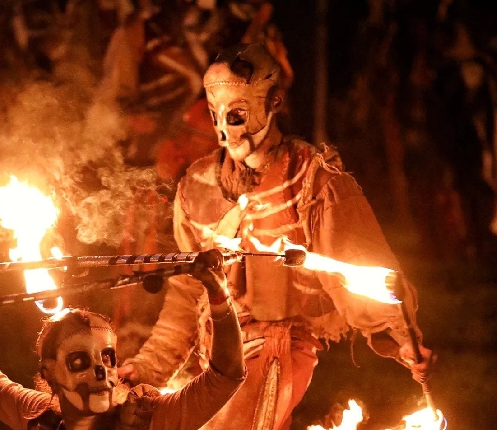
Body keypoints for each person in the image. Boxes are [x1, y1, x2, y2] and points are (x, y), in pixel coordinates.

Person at [118, 43, 435, 430]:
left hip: (280, 348)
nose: (224, 131)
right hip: (217, 358)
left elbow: (358, 267)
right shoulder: (196, 188)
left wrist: (401, 335)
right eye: (216, 115)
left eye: (236, 115)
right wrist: (150, 366)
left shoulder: (312, 180)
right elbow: (188, 295)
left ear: (273, 102)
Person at [0, 249, 245, 430]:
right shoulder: (39, 417)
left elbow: (226, 374)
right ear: (51, 373)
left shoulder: (149, 421)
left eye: (107, 358)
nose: (102, 372)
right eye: (79, 361)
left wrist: (218, 293)